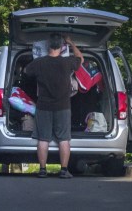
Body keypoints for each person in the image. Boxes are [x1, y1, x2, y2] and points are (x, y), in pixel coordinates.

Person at [23, 33, 84, 179]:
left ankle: (42, 170)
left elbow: (25, 71)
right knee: (64, 139)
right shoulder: (67, 62)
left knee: (43, 140)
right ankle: (64, 170)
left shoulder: (39, 63)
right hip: (63, 107)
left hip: (43, 107)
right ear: (62, 47)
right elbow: (80, 59)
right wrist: (71, 43)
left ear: (48, 46)